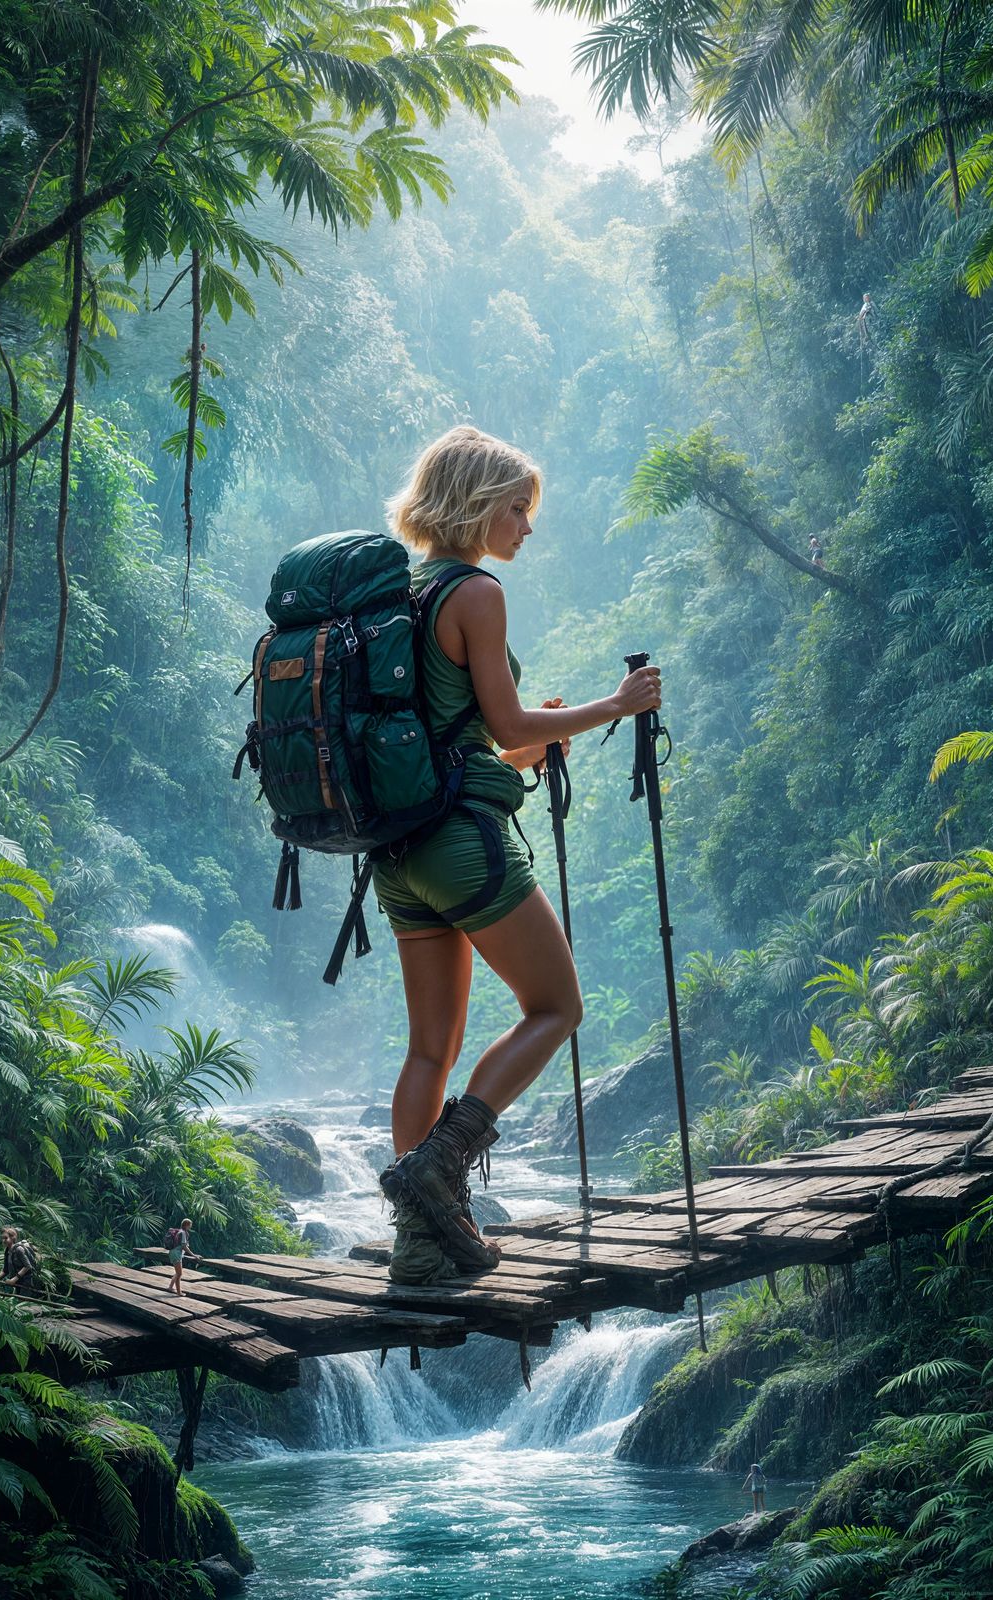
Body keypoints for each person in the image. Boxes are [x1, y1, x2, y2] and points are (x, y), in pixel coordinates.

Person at [374, 426, 663, 1285]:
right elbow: (505, 721)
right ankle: (441, 1163)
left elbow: (470, 738)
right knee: (557, 1006)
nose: (526, 526)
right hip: (463, 846)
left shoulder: (398, 592)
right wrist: (614, 705)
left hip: (397, 850)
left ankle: (417, 1243)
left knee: (428, 1051)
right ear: (476, 504)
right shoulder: (475, 592)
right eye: (517, 508)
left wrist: (533, 749)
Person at [0, 1226, 40, 1293]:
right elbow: (5, 1270)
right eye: (2, 1238)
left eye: (6, 1238)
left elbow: (27, 1266)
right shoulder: (7, 1252)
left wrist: (14, 1279)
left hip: (26, 1282)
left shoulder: (19, 1249)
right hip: (17, 1282)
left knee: (23, 1298)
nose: (3, 1240)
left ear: (12, 1238)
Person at [164, 1217, 198, 1295]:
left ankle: (170, 1287)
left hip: (174, 1253)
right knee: (179, 1274)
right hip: (176, 1254)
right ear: (186, 1225)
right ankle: (179, 1292)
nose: (190, 1227)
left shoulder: (180, 1231)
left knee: (177, 1273)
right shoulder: (182, 1233)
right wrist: (193, 1255)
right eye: (190, 1225)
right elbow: (184, 1246)